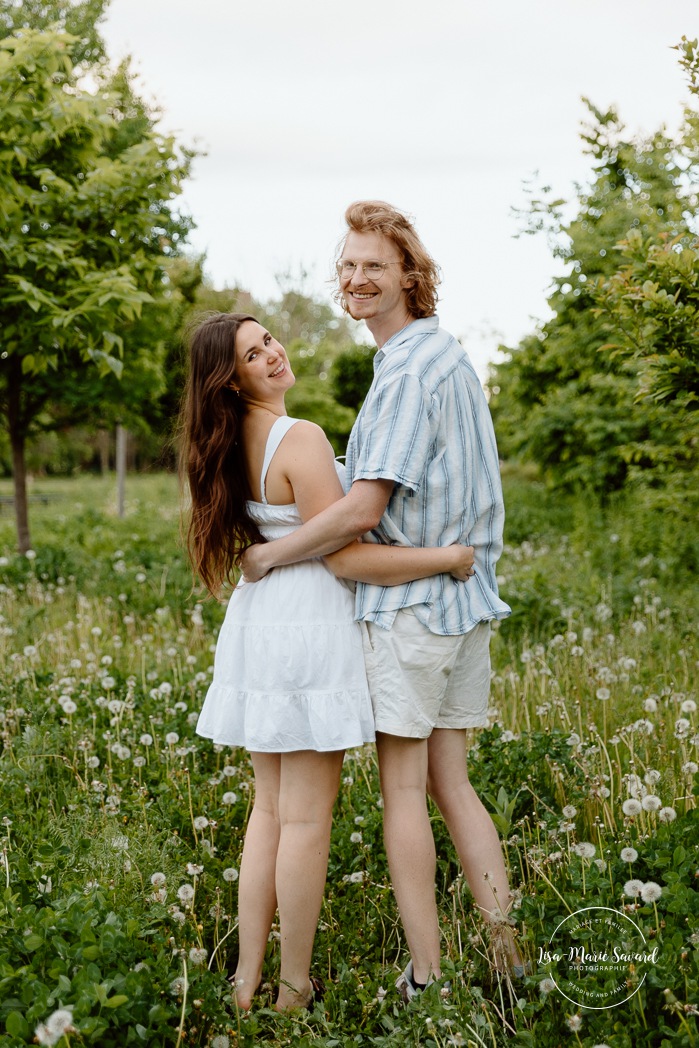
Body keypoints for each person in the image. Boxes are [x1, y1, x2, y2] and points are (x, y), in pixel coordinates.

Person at [241, 201, 524, 1000]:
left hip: (410, 613)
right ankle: (508, 957)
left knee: (406, 791)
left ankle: (429, 978)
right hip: (462, 606)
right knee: (452, 784)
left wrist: (273, 553)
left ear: (409, 274)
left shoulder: (403, 371)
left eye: (372, 265)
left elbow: (364, 513)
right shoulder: (449, 358)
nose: (356, 279)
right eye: (347, 266)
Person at [179, 311, 475, 1012]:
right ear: (231, 378)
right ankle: (289, 990)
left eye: (268, 340)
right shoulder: (299, 437)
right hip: (307, 622)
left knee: (269, 812)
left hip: (259, 622)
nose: (273, 355)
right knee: (305, 820)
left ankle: (246, 978)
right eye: (253, 354)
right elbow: (346, 544)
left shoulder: (224, 443)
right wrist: (446, 558)